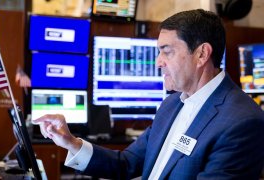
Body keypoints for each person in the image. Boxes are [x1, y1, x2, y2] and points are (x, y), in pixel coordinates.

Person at [32, 9, 264, 179]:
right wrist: (70, 142)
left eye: (167, 52)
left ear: (202, 54)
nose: (158, 62)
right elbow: (128, 163)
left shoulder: (242, 122)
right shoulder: (171, 104)